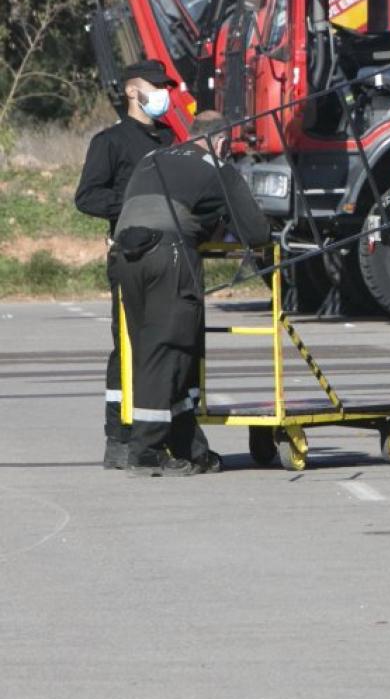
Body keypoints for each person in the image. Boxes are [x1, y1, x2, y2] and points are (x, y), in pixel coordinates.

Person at [111, 127, 270, 477]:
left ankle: (187, 447)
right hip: (168, 255)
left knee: (158, 351)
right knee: (169, 350)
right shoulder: (217, 166)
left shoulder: (151, 158)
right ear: (222, 143)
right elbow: (256, 232)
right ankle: (146, 450)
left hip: (125, 254)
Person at [74, 59, 177, 469]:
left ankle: (168, 434)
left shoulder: (171, 139)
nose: (162, 93)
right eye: (154, 86)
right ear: (133, 91)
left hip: (172, 256)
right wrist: (134, 206)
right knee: (130, 346)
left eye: (164, 86)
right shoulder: (111, 142)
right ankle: (118, 437)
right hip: (131, 256)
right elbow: (87, 196)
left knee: (170, 346)